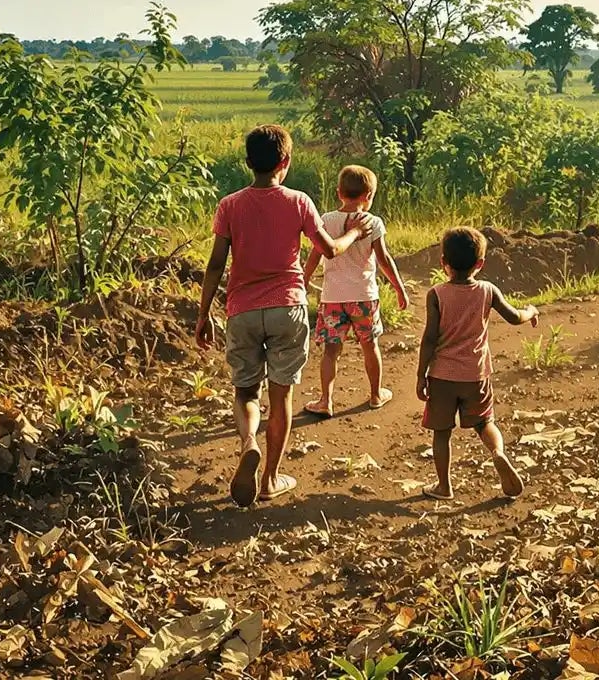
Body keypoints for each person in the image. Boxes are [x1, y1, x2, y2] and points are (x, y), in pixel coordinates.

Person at [196, 125, 370, 508]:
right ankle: (271, 479)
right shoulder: (298, 201)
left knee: (245, 391)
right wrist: (354, 234)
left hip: (242, 310)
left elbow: (214, 265)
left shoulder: (229, 205)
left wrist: (203, 312)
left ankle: (247, 443)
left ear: (248, 163)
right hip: (287, 308)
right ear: (286, 162)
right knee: (282, 395)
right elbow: (329, 250)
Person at [417, 227, 535, 501]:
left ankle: (444, 486)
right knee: (485, 423)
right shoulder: (487, 291)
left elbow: (429, 338)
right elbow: (515, 317)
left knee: (442, 432)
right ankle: (498, 453)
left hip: (443, 376)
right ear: (480, 264)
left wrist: (421, 375)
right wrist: (531, 311)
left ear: (443, 262)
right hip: (476, 374)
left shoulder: (436, 295)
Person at [300, 164, 409, 417]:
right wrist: (399, 287)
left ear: (339, 192)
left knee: (330, 351)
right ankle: (375, 394)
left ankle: (326, 400)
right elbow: (384, 259)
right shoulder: (373, 223)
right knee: (370, 345)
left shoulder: (326, 220)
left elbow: (315, 256)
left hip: (333, 297)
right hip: (364, 296)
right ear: (369, 196)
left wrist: (304, 280)